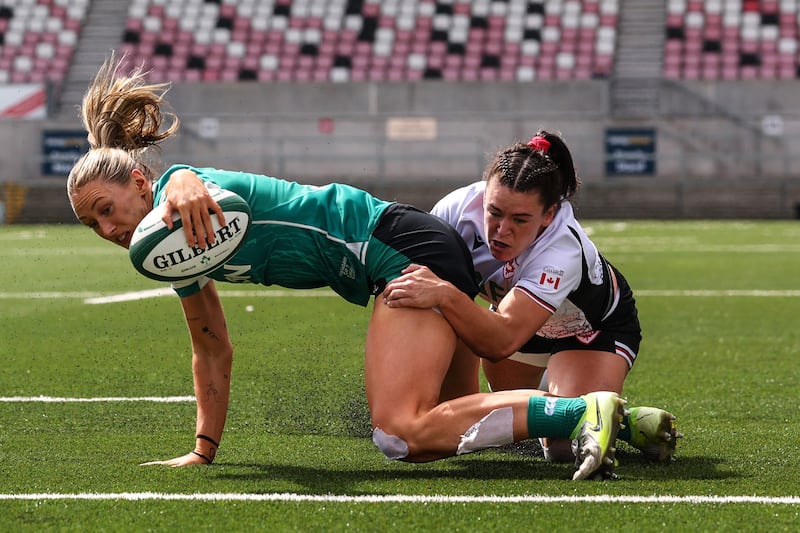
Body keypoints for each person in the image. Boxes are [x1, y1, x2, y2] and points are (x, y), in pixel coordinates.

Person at [66, 56, 627, 480]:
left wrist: (182, 176)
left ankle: (580, 411)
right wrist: (203, 450)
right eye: (93, 224)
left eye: (108, 209)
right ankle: (623, 419)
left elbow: (186, 182)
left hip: (402, 250)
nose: (109, 229)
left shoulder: (180, 196)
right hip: (410, 247)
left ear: (140, 183)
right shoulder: (176, 250)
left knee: (399, 434)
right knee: (444, 421)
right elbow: (211, 346)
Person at [383, 131, 682, 463]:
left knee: (561, 448)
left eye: (520, 219)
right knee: (453, 407)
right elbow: (430, 290)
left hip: (589, 331)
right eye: (494, 212)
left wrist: (446, 295)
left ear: (549, 215)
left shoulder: (562, 248)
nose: (501, 230)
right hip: (522, 328)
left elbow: (500, 339)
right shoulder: (456, 210)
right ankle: (566, 390)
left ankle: (630, 423)